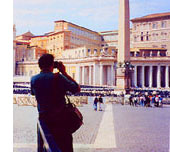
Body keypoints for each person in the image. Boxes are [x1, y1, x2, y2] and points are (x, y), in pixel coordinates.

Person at [31, 54, 80, 152]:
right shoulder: (58, 78)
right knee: (64, 147)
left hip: (43, 119)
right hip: (59, 120)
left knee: (45, 146)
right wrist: (64, 72)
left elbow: (33, 93)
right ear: (52, 65)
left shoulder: (33, 79)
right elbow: (77, 88)